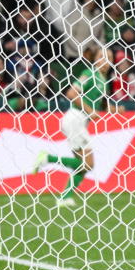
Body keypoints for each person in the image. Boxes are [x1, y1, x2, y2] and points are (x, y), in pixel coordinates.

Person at [31, 45, 111, 208]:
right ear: (95, 59)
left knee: (82, 165)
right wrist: (90, 112)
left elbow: (100, 107)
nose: (105, 61)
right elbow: (71, 93)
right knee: (88, 164)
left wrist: (117, 110)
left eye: (108, 57)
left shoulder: (104, 81)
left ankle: (64, 197)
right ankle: (48, 158)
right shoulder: (89, 74)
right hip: (75, 119)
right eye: (102, 56)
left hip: (79, 121)